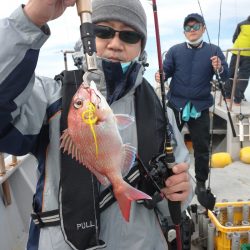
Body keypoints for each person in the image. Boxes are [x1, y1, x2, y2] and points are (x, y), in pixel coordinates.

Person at [0, 1, 193, 249]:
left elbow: (176, 194)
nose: (115, 43)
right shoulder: (48, 97)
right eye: (102, 31)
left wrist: (181, 191)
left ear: (141, 47)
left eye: (129, 35)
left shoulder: (159, 110)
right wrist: (29, 20)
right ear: (86, 37)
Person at [155, 13, 228, 201]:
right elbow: (167, 71)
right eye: (188, 28)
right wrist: (160, 75)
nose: (192, 31)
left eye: (196, 27)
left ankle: (201, 183)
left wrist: (219, 67)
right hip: (175, 105)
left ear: (204, 28)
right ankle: (166, 178)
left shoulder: (214, 50)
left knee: (202, 148)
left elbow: (225, 76)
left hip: (200, 106)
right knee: (166, 144)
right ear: (184, 32)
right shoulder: (174, 50)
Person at [224, 16, 250, 105]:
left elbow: (234, 38)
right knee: (244, 76)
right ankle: (237, 100)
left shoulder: (241, 24)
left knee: (230, 72)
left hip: (237, 51)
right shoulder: (241, 24)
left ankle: (227, 95)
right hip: (248, 54)